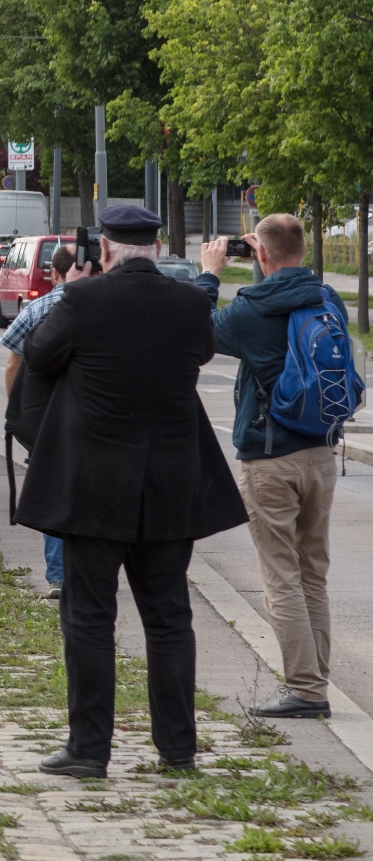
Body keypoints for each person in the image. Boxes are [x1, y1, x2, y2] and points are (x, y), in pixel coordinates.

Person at [18, 204, 247, 778]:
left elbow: (38, 354)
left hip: (92, 487)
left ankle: (89, 750)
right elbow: (199, 352)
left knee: (90, 617)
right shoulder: (191, 304)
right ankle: (178, 750)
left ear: (105, 250)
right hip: (171, 484)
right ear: (157, 245)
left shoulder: (84, 300)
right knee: (170, 617)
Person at [199, 216, 344, 719]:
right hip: (322, 454)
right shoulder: (328, 301)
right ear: (302, 249)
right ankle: (315, 681)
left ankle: (306, 690)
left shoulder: (249, 310)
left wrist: (211, 274)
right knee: (312, 574)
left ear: (258, 252)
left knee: (281, 575)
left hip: (270, 457)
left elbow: (198, 335)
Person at [1, 245, 79, 599]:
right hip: (93, 415)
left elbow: (13, 364)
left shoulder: (36, 309)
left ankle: (58, 577)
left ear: (55, 272)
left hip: (46, 418)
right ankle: (88, 570)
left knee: (52, 491)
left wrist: (17, 410)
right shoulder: (103, 307)